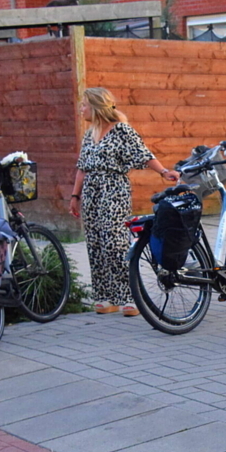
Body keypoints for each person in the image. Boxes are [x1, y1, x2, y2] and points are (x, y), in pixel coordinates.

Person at [70, 87, 179, 316]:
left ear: (97, 107)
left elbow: (144, 153)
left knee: (114, 242)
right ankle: (105, 297)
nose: (81, 109)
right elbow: (82, 167)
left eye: (84, 105)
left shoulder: (121, 130)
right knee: (96, 244)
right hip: (91, 192)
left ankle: (131, 296)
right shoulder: (89, 134)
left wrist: (164, 172)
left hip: (114, 189)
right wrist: (75, 196)